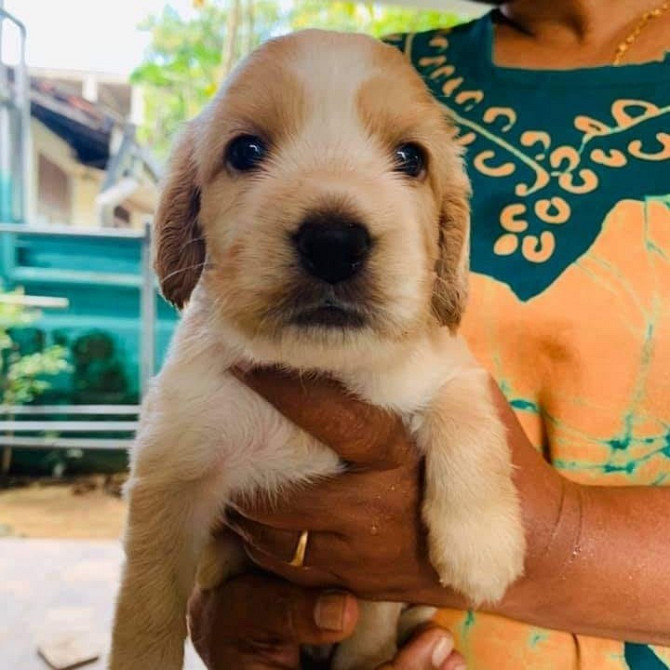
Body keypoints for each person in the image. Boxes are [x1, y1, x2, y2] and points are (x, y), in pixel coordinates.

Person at [188, 0, 670, 667]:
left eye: (408, 162)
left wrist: (554, 540)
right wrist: (234, 608)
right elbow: (221, 397)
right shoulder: (361, 74)